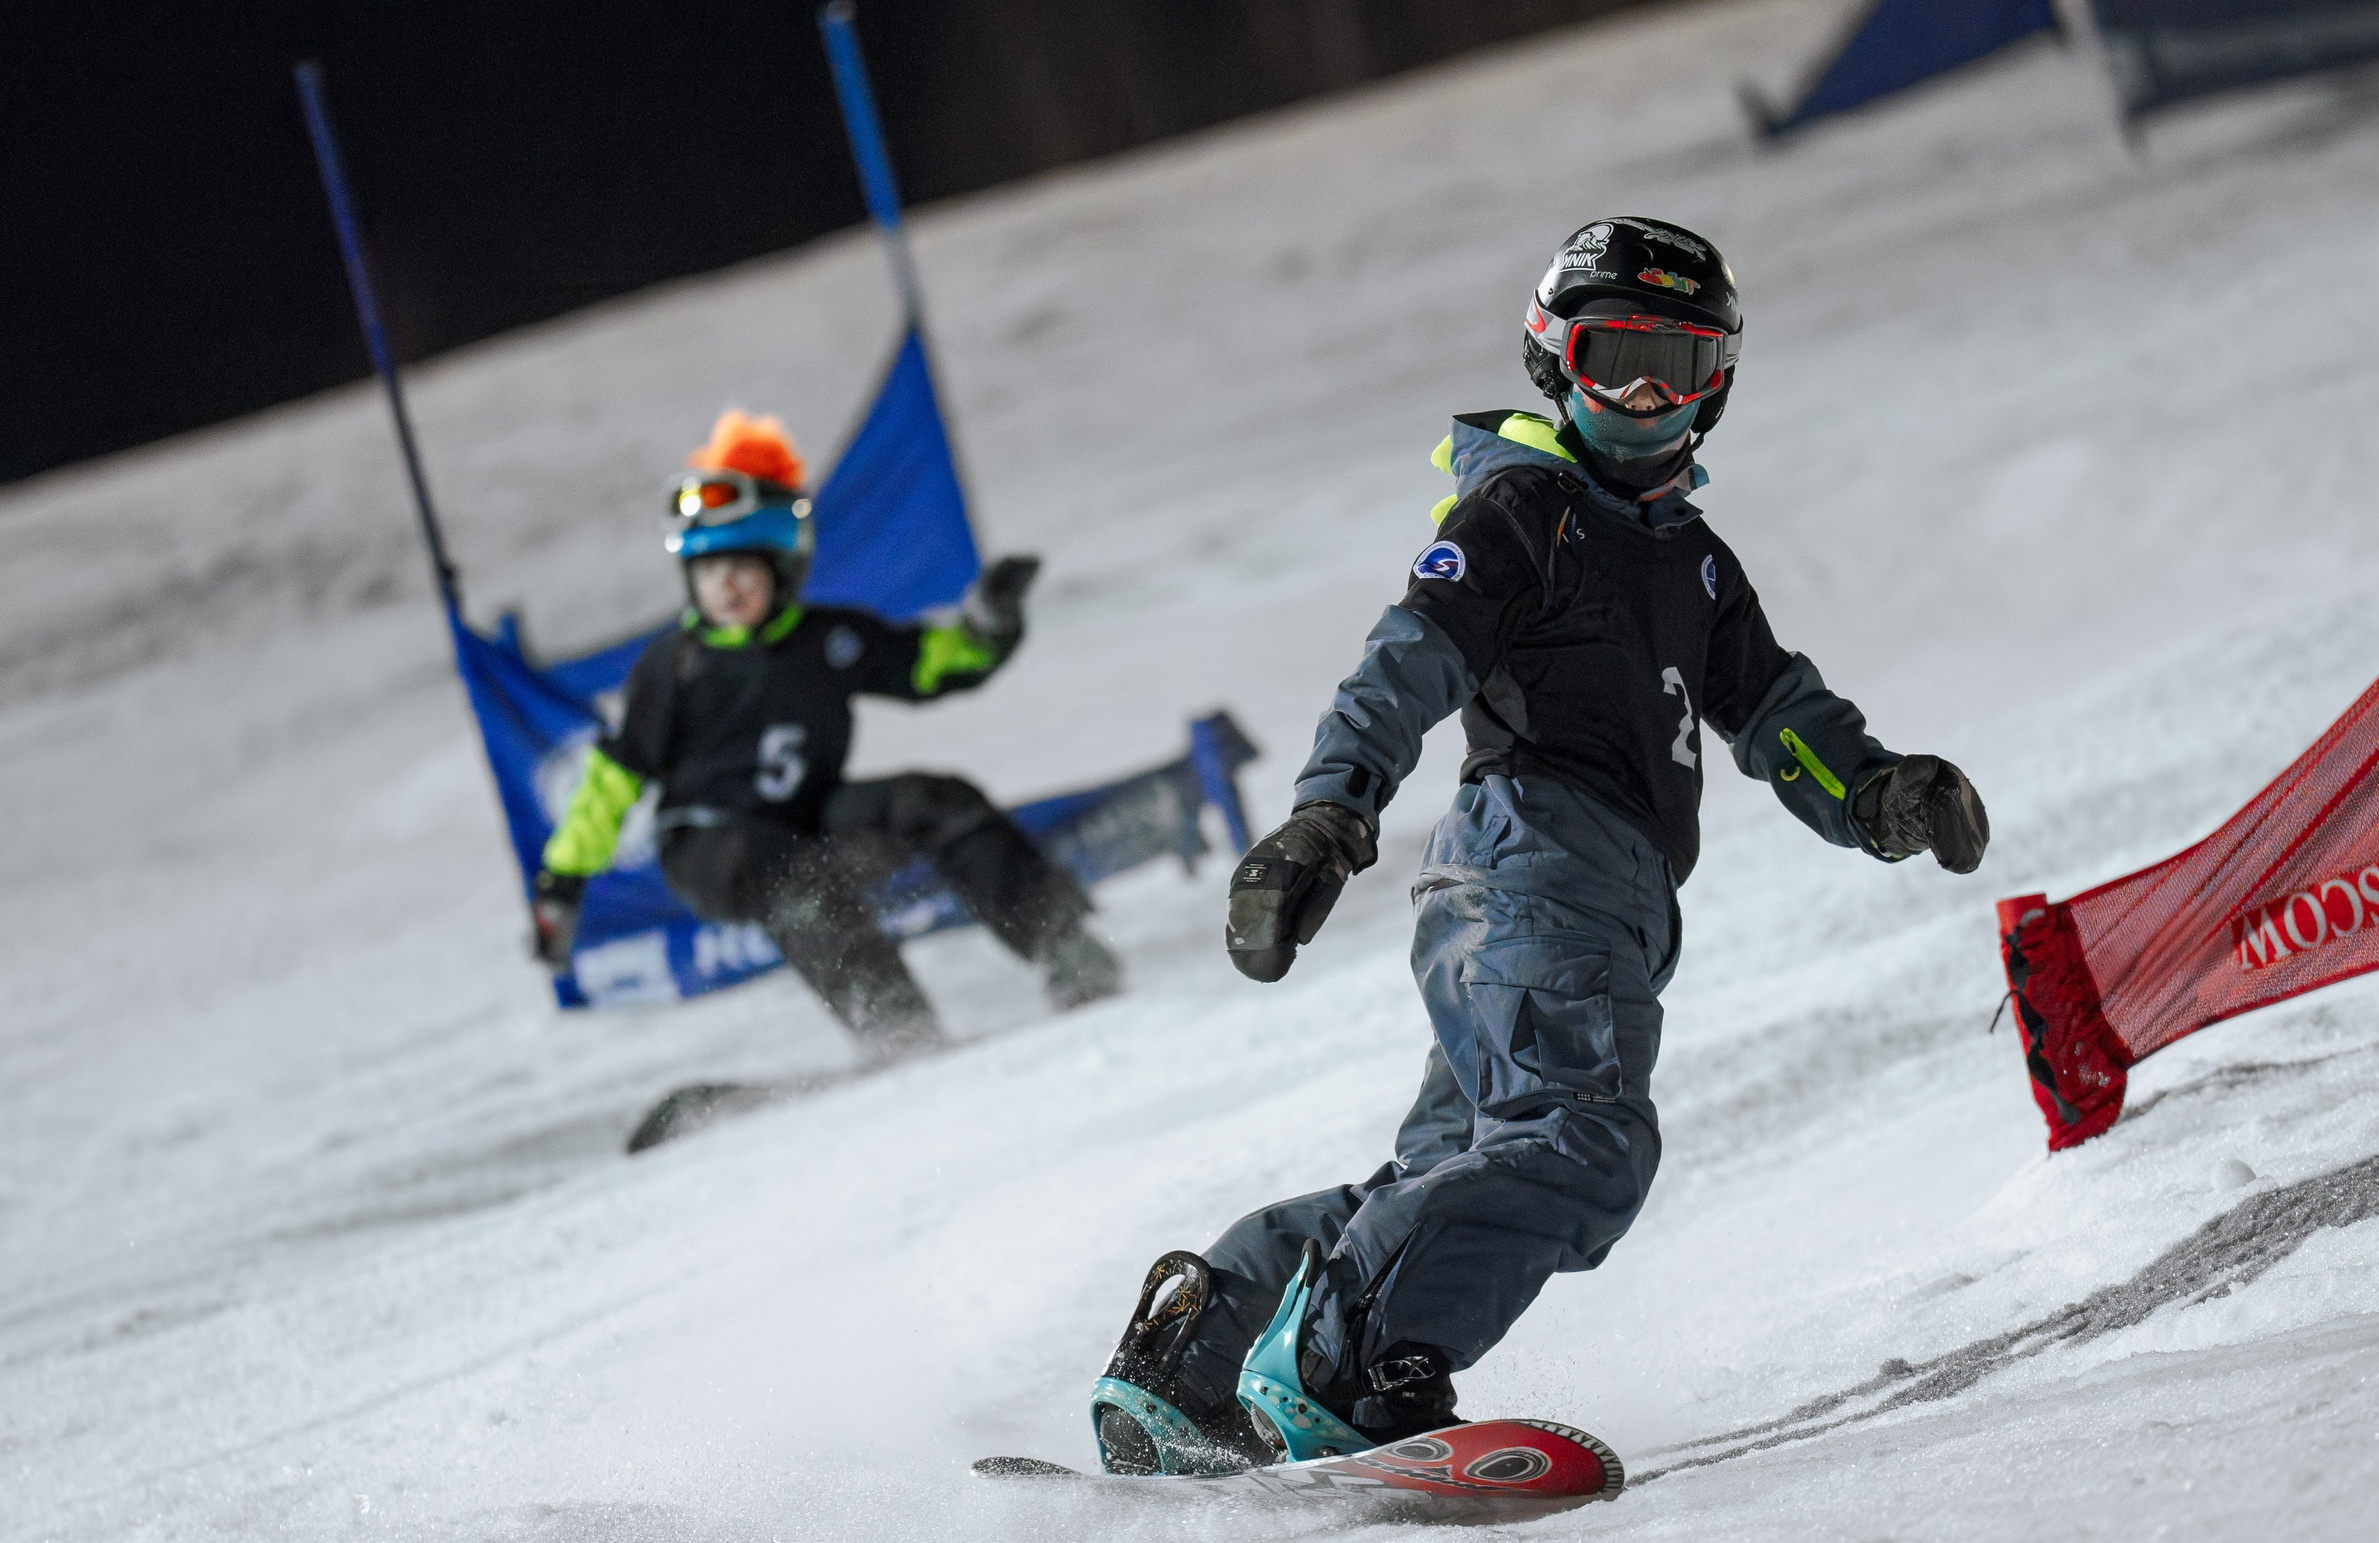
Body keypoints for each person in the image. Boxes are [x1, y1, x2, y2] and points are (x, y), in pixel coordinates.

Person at [1089, 217, 1990, 1475]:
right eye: (1612, 354)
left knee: (1459, 1162)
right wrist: (1327, 814)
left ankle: (1199, 1360)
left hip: (1550, 896)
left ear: (1715, 385)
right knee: (1581, 1144)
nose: (1640, 393)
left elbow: (1774, 708)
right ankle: (1346, 1362)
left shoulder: (1694, 562)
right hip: (1542, 867)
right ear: (1550, 358)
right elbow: (1410, 657)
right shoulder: (1525, 511)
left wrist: (1878, 793)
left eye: (1674, 364)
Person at [529, 410, 1121, 1061]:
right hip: (709, 844)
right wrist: (562, 884)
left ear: (782, 572)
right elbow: (613, 779)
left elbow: (929, 663)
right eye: (707, 573)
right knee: (790, 874)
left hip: (810, 820)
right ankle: (896, 1026)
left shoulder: (829, 641)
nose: (724, 589)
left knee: (935, 797)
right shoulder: (673, 665)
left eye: (742, 572)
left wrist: (988, 625)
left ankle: (1063, 949)